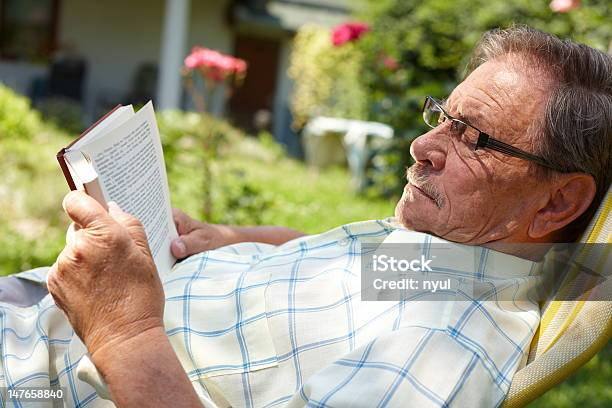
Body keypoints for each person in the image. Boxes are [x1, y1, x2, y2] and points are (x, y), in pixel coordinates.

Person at [1, 26, 610, 408]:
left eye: (474, 137)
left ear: (556, 202)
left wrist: (122, 331)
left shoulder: (443, 350)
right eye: (443, 117)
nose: (423, 147)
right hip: (35, 316)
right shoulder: (444, 254)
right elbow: (341, 259)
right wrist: (235, 238)